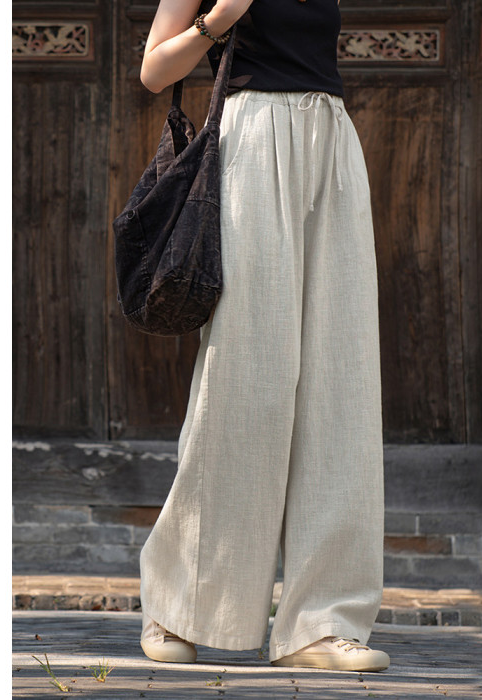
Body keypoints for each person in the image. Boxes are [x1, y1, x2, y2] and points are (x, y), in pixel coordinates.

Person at [137, 0, 389, 672]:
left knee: (342, 379)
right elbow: (154, 71)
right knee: (244, 380)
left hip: (331, 139)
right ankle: (177, 604)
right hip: (251, 140)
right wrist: (219, 17)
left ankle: (322, 623)